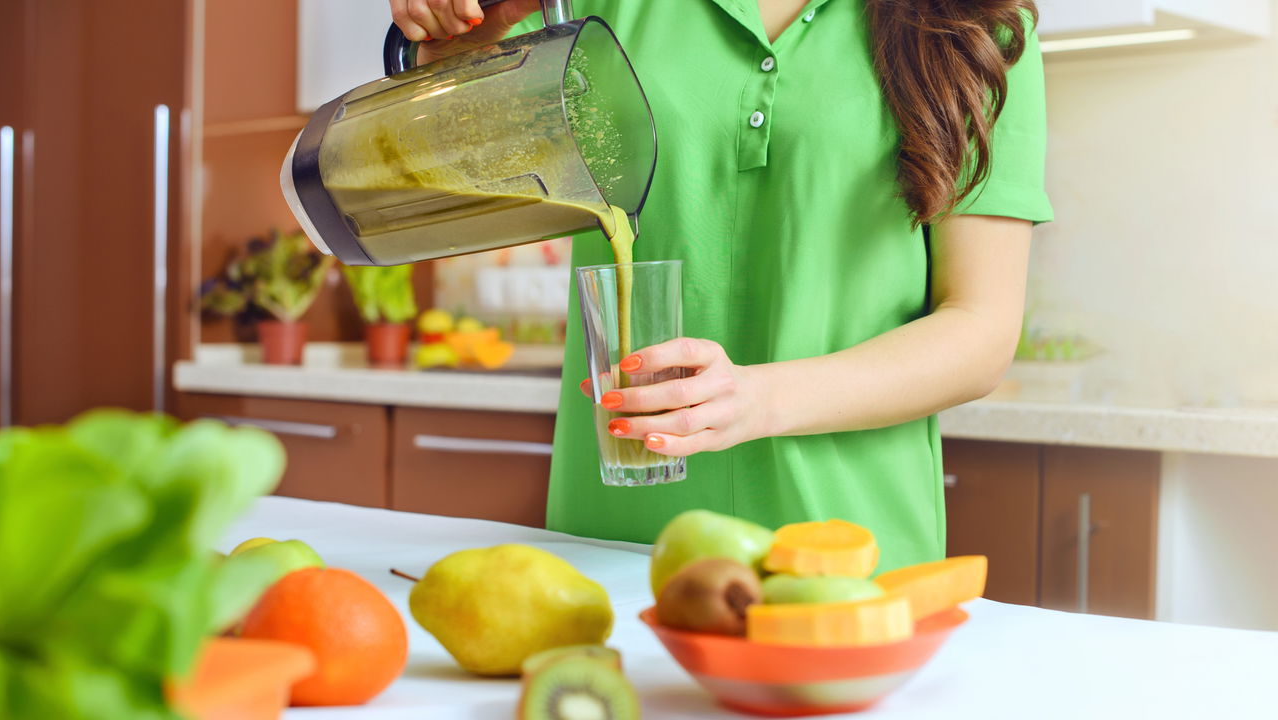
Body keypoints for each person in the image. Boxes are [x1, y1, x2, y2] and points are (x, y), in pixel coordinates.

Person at [389, 0, 1051, 571]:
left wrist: (754, 398)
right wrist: (444, 35)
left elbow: (980, 328)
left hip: (849, 554)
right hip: (618, 543)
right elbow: (431, 155)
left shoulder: (976, 24)